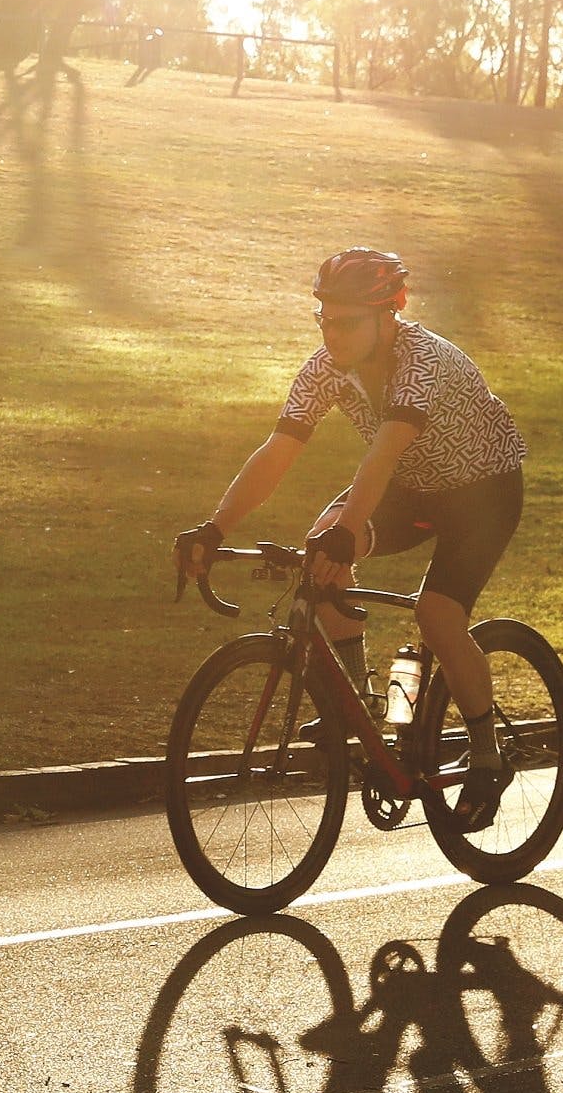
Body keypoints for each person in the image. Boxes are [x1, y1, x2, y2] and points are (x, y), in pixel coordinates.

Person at [174, 245, 529, 803]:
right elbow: (278, 450)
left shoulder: (422, 363)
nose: (331, 334)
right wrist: (214, 529)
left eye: (346, 322)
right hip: (413, 487)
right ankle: (359, 710)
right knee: (323, 543)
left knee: (437, 616)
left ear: (391, 311)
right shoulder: (328, 369)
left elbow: (383, 454)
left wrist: (349, 530)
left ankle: (487, 754)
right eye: (324, 319)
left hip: (481, 493)